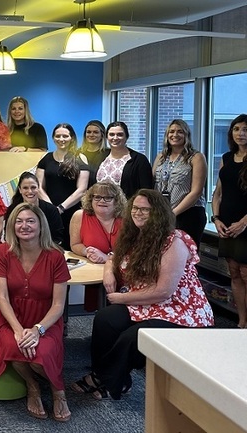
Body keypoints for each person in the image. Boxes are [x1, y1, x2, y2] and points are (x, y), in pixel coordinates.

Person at [73, 189, 214, 401]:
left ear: (158, 213)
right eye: (135, 208)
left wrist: (121, 298)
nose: (138, 213)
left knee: (133, 337)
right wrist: (109, 271)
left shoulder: (174, 241)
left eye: (145, 210)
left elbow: (163, 291)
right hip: (146, 304)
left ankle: (104, 378)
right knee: (105, 319)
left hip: (181, 310)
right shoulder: (133, 237)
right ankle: (113, 378)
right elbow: (112, 257)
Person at [0, 203, 71, 421]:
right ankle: (32, 386)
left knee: (38, 357)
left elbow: (58, 305)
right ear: (12, 226)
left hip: (46, 319)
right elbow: (2, 298)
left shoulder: (55, 256)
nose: (24, 226)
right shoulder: (2, 252)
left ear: (40, 225)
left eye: (30, 221)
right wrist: (18, 330)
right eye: (19, 221)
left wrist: (37, 330)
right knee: (14, 348)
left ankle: (57, 390)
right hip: (11, 318)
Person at [212, 114, 247, 328]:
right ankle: (242, 321)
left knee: (245, 273)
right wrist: (216, 219)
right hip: (227, 226)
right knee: (234, 272)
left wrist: (244, 222)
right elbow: (218, 193)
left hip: (245, 226)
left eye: (245, 129)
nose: (241, 134)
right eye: (237, 129)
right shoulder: (226, 157)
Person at [153, 119, 207, 245]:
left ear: (186, 135)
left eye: (180, 132)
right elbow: (153, 184)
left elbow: (196, 192)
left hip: (188, 214)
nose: (175, 135)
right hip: (163, 214)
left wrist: (173, 213)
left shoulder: (196, 157)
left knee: (185, 258)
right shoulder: (161, 156)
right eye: (171, 132)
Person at [36, 123, 90, 247]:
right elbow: (38, 187)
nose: (61, 139)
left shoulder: (80, 158)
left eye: (65, 136)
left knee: (71, 246)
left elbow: (82, 189)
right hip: (48, 212)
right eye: (58, 136)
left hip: (72, 211)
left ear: (71, 138)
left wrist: (61, 208)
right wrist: (52, 209)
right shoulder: (46, 158)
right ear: (53, 138)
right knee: (48, 246)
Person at [69, 181, 126, 264]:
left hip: (120, 268)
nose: (102, 201)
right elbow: (75, 244)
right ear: (91, 199)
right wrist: (88, 252)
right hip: (91, 267)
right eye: (97, 197)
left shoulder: (127, 219)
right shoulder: (79, 216)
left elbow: (133, 253)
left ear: (117, 201)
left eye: (108, 197)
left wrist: (106, 258)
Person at [4, 172, 64, 246]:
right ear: (20, 190)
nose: (30, 191)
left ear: (38, 188)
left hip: (47, 250)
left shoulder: (51, 210)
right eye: (25, 188)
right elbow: (8, 235)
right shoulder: (12, 209)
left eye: (33, 187)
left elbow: (57, 238)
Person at [96, 121, 153, 198]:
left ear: (126, 137)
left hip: (127, 208)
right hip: (101, 206)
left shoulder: (139, 160)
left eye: (120, 135)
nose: (115, 138)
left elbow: (147, 191)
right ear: (106, 137)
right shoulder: (100, 157)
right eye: (111, 134)